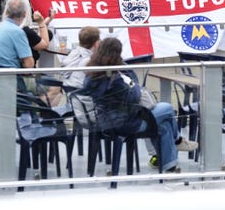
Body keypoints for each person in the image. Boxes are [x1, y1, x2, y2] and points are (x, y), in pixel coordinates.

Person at [83, 37, 197, 173]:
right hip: (126, 123)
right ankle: (178, 141)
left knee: (163, 126)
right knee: (167, 108)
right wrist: (134, 86)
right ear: (116, 54)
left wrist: (125, 73)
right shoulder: (114, 78)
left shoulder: (92, 73)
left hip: (107, 120)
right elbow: (133, 96)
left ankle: (169, 166)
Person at [0, 0, 34, 82]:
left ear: (6, 11)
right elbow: (29, 65)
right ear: (25, 14)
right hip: (8, 82)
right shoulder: (17, 31)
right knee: (54, 86)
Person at [61, 26, 101, 90]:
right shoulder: (91, 60)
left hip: (70, 91)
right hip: (85, 95)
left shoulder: (73, 53)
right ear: (96, 43)